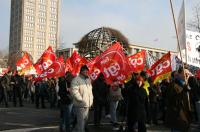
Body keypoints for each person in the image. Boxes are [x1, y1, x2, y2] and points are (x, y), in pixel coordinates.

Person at [165, 67, 192, 132]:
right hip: (178, 118)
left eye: (188, 74)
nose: (187, 75)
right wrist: (183, 117)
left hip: (185, 117)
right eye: (185, 73)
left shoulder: (186, 85)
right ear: (179, 74)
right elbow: (175, 103)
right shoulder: (174, 85)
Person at [71, 65, 93, 132]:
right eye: (85, 71)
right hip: (80, 105)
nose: (86, 72)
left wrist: (91, 101)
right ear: (81, 71)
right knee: (81, 123)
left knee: (84, 122)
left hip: (87, 104)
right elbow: (74, 91)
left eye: (87, 71)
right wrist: (81, 100)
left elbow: (90, 92)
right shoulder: (76, 80)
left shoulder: (88, 80)